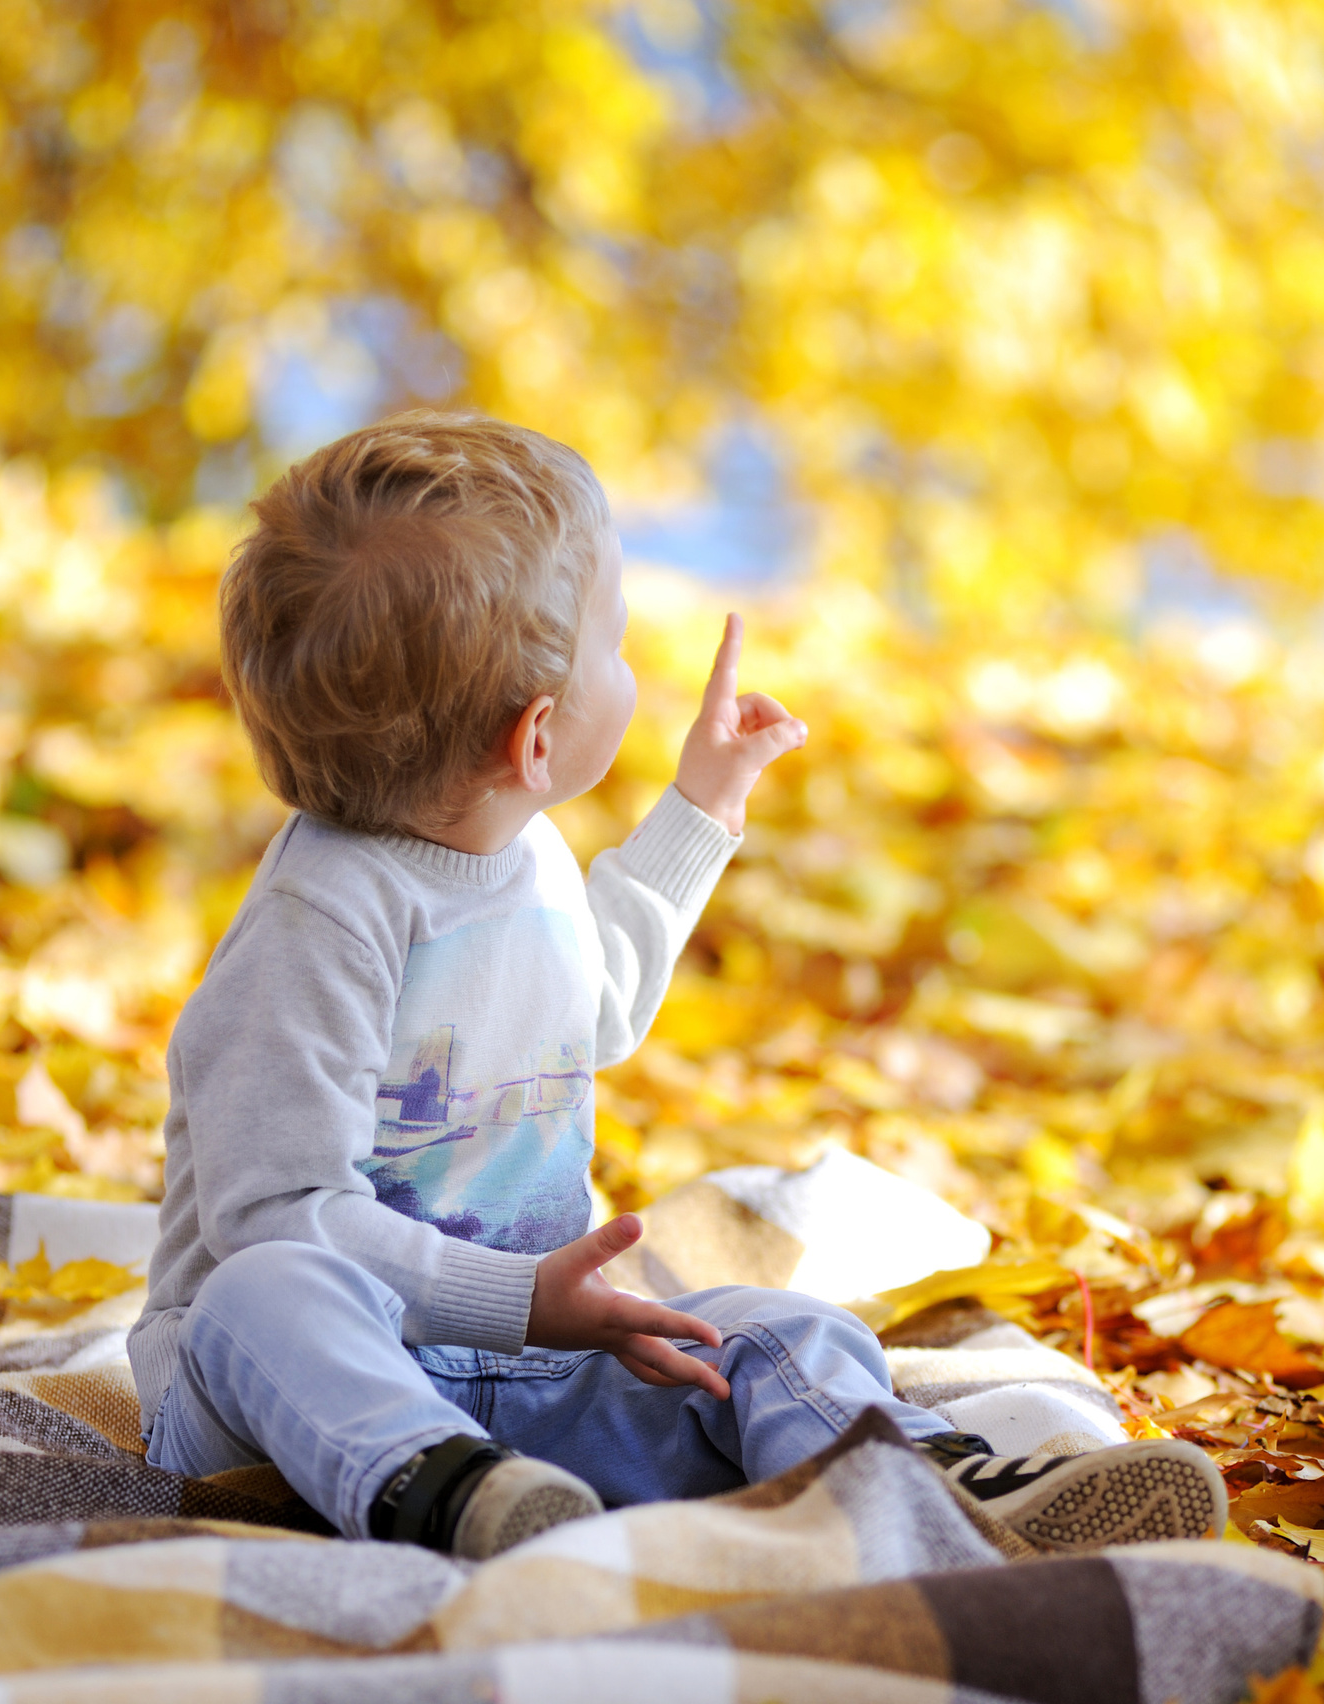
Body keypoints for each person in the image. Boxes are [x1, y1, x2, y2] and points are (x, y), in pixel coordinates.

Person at [128, 411, 1227, 1559]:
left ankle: (911, 1483)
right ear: (537, 741)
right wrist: (519, 1302)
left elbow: (594, 1007)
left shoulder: (524, 857)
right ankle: (442, 1492)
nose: (635, 668)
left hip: (525, 1374)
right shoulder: (323, 919)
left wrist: (701, 807)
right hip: (279, 1403)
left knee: (778, 1333)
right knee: (261, 1298)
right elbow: (272, 1220)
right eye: (613, 644)